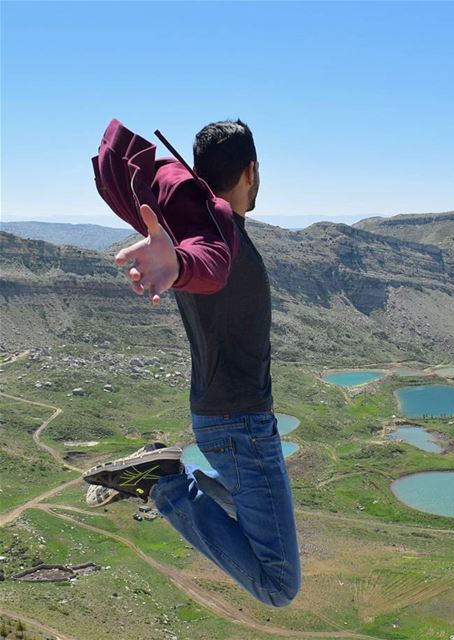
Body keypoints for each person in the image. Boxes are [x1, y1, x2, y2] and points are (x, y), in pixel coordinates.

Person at [84, 119, 300, 608]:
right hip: (242, 426)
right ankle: (166, 485)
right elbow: (206, 261)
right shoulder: (219, 241)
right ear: (252, 170)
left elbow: (199, 255)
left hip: (221, 422)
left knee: (264, 521)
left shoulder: (203, 229)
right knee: (280, 585)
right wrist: (180, 265)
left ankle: (168, 475)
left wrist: (179, 259)